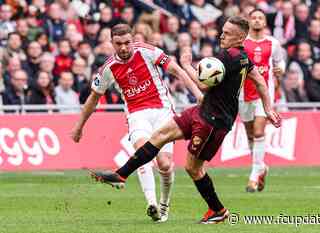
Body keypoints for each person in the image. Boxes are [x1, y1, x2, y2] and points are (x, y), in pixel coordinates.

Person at [77, 16, 281, 224]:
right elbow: (259, 81)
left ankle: (217, 210)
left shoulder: (229, 57)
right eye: (223, 30)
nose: (221, 34)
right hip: (202, 111)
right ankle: (121, 174)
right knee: (160, 135)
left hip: (214, 121)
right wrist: (268, 108)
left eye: (227, 33)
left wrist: (186, 65)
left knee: (193, 168)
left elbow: (203, 85)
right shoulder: (243, 56)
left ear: (239, 37)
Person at [70, 24, 202, 222]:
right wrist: (79, 126)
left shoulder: (148, 51)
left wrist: (198, 94)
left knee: (165, 165)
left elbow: (177, 71)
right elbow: (93, 98)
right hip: (137, 115)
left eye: (127, 43)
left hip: (162, 111)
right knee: (143, 155)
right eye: (118, 44)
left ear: (133, 40)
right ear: (111, 43)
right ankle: (152, 204)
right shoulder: (107, 69)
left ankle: (164, 203)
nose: (123, 48)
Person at [241, 9, 285, 193]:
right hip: (243, 93)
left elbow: (280, 62)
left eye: (260, 18)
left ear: (265, 23)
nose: (257, 20)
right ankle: (261, 168)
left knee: (259, 131)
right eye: (254, 18)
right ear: (249, 21)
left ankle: (253, 177)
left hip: (264, 94)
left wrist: (280, 70)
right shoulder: (242, 43)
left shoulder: (273, 43)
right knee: (250, 134)